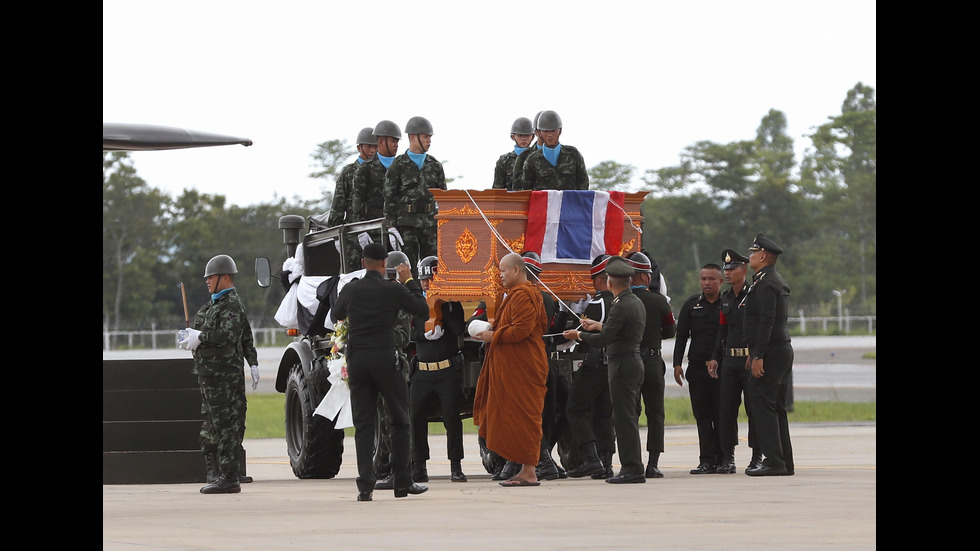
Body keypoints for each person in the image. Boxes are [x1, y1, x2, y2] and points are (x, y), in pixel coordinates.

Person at [330, 242, 431, 501]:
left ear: (363, 263)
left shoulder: (352, 288)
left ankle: (365, 487)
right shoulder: (391, 289)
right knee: (400, 420)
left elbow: (336, 313)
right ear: (385, 264)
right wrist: (409, 281)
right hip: (385, 359)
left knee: (364, 425)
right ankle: (402, 483)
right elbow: (421, 310)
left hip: (358, 362)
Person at [177, 254, 260, 494]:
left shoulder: (230, 304)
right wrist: (190, 338)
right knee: (217, 423)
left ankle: (228, 476)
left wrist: (200, 337)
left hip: (222, 376)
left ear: (225, 277)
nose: (206, 281)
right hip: (211, 375)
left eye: (211, 277)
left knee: (225, 424)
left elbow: (230, 336)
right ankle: (223, 471)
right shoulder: (213, 305)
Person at [563, 256, 646, 484]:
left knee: (623, 419)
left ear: (610, 281)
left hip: (622, 363)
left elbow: (606, 338)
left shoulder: (620, 304)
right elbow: (616, 329)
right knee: (619, 416)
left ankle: (631, 468)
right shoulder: (634, 301)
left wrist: (578, 334)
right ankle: (627, 465)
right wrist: (599, 325)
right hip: (631, 361)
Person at [472, 253, 550, 487]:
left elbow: (521, 331)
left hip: (524, 367)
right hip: (515, 366)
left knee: (525, 416)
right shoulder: (519, 295)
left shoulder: (524, 295)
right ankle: (524, 469)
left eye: (504, 270)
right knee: (513, 416)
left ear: (517, 270)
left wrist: (491, 336)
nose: (501, 275)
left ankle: (529, 472)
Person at [409, 255, 468, 483]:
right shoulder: (416, 304)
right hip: (422, 371)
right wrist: (423, 335)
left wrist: (445, 306)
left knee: (452, 419)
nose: (425, 283)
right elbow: (409, 333)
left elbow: (458, 328)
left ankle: (456, 465)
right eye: (423, 279)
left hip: (446, 370)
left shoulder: (451, 302)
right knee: (416, 419)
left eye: (430, 279)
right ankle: (419, 465)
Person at [742, 233, 795, 477]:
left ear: (763, 256)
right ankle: (783, 461)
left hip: (771, 350)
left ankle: (774, 460)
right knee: (775, 406)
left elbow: (767, 320)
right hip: (778, 349)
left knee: (762, 403)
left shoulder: (766, 283)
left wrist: (758, 354)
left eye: (753, 252)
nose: (750, 256)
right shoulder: (769, 280)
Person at [563, 255, 616, 479]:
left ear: (597, 280)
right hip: (611, 363)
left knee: (574, 409)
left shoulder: (596, 304)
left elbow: (578, 333)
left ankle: (591, 459)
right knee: (604, 414)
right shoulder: (620, 300)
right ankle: (606, 462)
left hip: (593, 362)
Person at [625, 251, 676, 478]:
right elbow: (670, 331)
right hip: (653, 360)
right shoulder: (659, 302)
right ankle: (652, 463)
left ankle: (632, 461)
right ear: (646, 278)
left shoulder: (623, 302)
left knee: (631, 413)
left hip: (630, 360)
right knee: (655, 413)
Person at [710, 248, 761, 473]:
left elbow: (761, 328)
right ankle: (728, 458)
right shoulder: (726, 298)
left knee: (754, 409)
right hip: (730, 361)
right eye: (726, 269)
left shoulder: (755, 294)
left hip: (749, 361)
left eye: (732, 269)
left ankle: (757, 456)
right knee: (727, 410)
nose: (727, 273)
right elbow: (722, 330)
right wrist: (715, 358)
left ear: (744, 269)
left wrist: (757, 353)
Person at [672, 264, 725, 474]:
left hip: (721, 370)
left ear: (721, 281)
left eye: (712, 279)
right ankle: (706, 460)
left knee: (722, 415)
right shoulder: (692, 305)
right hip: (697, 370)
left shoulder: (728, 303)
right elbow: (682, 336)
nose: (707, 283)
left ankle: (724, 458)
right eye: (703, 279)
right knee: (702, 416)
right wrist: (677, 364)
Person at [383, 116, 447, 276]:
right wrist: (391, 227)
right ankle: (412, 297)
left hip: (430, 224)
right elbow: (389, 198)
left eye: (430, 137)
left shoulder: (435, 165)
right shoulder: (397, 165)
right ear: (413, 137)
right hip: (406, 225)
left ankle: (432, 299)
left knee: (433, 266)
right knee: (408, 266)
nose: (429, 141)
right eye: (426, 137)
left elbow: (444, 198)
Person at [329, 127, 378, 271]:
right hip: (354, 234)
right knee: (352, 275)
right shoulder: (349, 173)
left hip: (377, 231)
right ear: (359, 148)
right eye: (369, 146)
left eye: (375, 146)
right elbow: (337, 207)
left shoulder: (383, 171)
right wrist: (337, 236)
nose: (373, 151)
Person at [351, 120, 401, 251]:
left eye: (397, 142)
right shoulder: (364, 170)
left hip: (400, 231)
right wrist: (361, 230)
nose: (396, 145)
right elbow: (357, 205)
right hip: (374, 233)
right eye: (393, 142)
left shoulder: (402, 167)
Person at [519, 110, 589, 191]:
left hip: (569, 203)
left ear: (560, 131)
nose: (550, 135)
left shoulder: (573, 155)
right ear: (539, 133)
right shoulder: (532, 159)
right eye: (546, 131)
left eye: (553, 131)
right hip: (543, 203)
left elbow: (583, 187)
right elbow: (526, 190)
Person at [492, 117, 534, 190]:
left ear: (532, 137)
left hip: (533, 200)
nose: (523, 138)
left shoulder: (537, 158)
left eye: (527, 135)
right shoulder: (504, 161)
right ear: (513, 137)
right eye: (520, 135)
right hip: (511, 200)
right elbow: (497, 190)